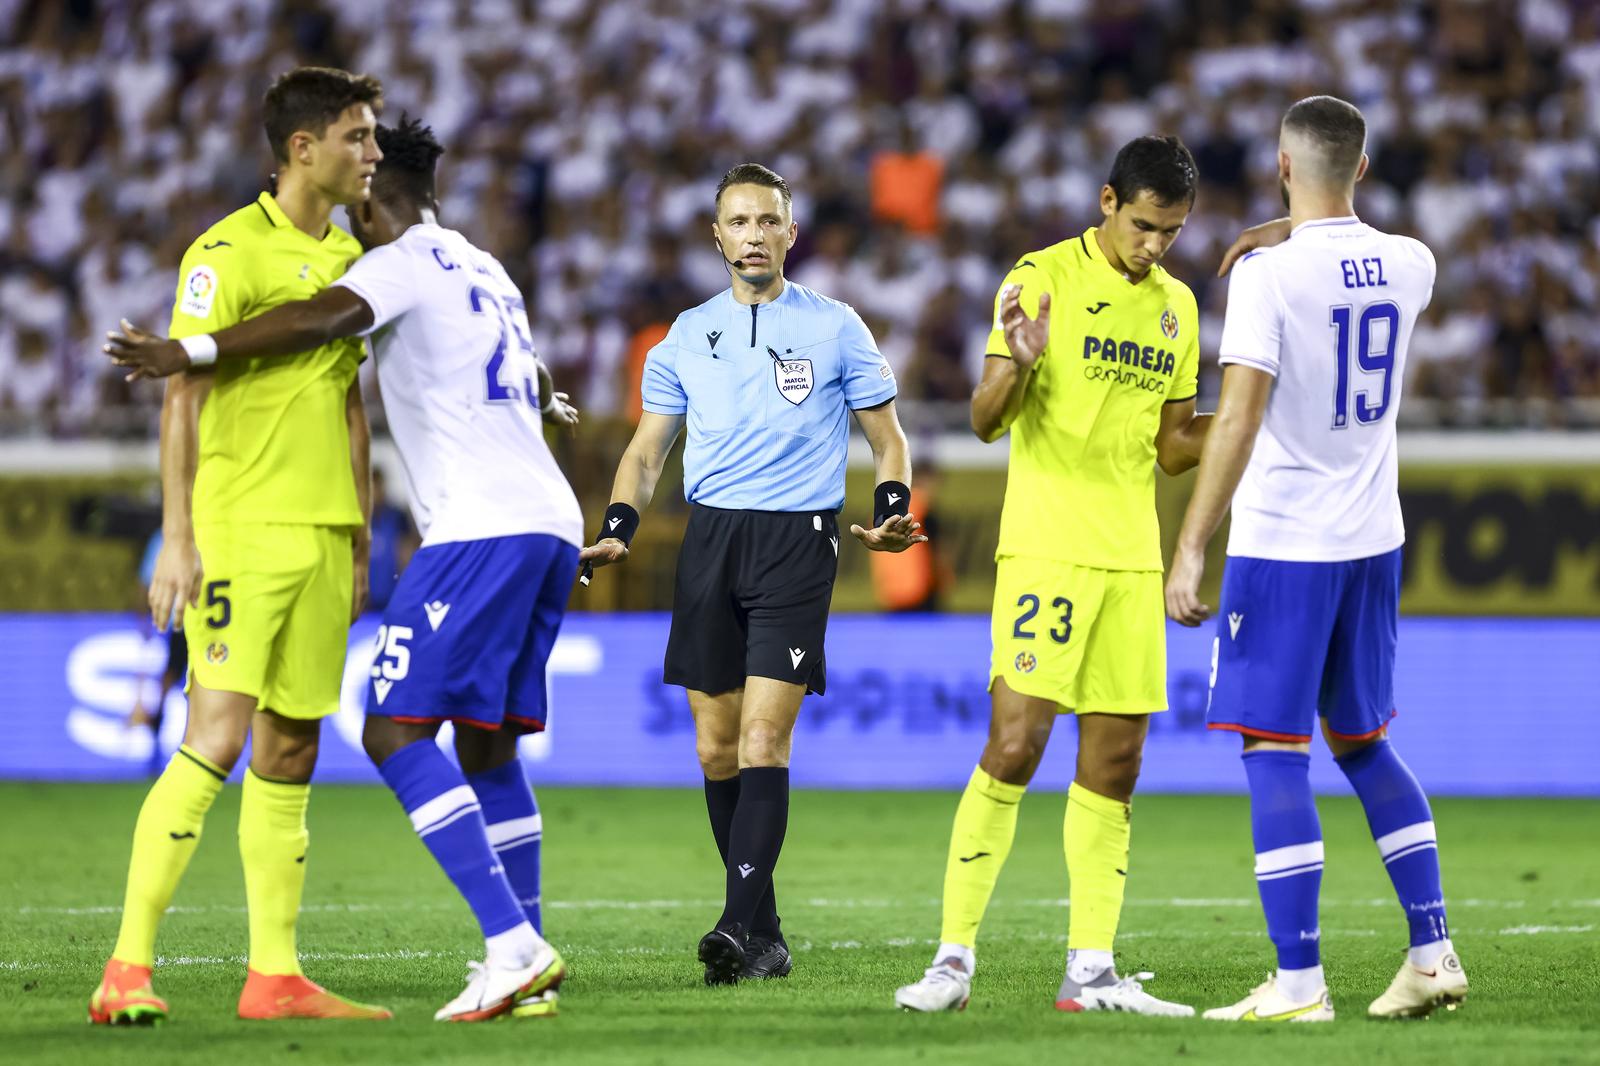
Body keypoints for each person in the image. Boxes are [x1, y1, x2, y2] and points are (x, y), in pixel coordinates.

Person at [108, 115, 583, 1022]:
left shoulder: (394, 260)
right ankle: (528, 961)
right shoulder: (487, 266)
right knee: (489, 746)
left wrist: (190, 350)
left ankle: (513, 946)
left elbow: (320, 317)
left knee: (393, 731)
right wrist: (550, 403)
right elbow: (522, 371)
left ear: (375, 192)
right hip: (548, 522)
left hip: (477, 530)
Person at [88, 67, 390, 1025]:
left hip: (321, 531)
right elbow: (182, 393)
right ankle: (126, 968)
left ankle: (275, 976)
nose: (373, 153)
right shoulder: (224, 252)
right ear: (303, 148)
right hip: (241, 531)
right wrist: (177, 538)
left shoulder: (350, 254)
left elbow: (349, 400)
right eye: (358, 136)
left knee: (293, 743)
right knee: (213, 739)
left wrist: (358, 531)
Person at [578, 162, 926, 986]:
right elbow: (645, 452)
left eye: (769, 221)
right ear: (718, 236)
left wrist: (892, 506)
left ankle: (734, 925)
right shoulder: (684, 336)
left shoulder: (837, 326)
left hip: (798, 545)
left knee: (765, 736)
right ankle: (763, 935)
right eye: (739, 222)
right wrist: (618, 528)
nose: (755, 236)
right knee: (714, 744)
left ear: (790, 233)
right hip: (710, 542)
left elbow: (891, 440)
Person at [1165, 95, 1468, 1022]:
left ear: (1283, 166)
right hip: (1374, 536)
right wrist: (1289, 226)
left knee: (1272, 749)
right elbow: (1343, 249)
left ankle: (1298, 981)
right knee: (1365, 742)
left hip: (1285, 539)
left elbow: (1243, 412)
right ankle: (1432, 950)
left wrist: (1189, 546)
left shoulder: (1262, 277)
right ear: (1364, 168)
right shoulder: (1414, 263)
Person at [894, 136, 1210, 1016]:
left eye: (1173, 233)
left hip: (1132, 556)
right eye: (1145, 226)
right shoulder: (1039, 278)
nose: (1156, 246)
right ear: (1108, 201)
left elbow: (1174, 448)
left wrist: (1248, 416)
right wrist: (1021, 361)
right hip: (1046, 548)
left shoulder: (1178, 307)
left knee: (1117, 759)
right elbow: (985, 418)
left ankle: (1091, 970)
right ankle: (952, 962)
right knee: (1016, 743)